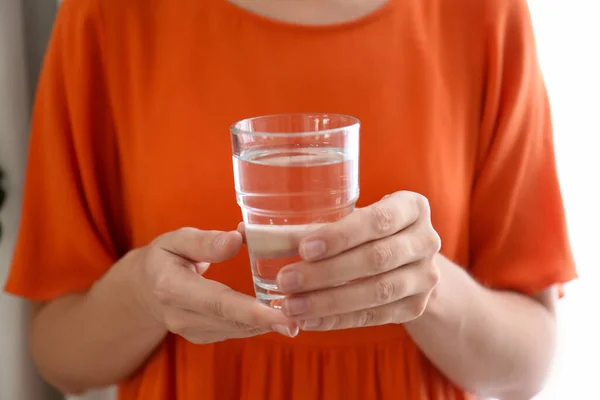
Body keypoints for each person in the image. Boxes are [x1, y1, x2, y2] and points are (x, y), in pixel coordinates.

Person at [4, 0, 577, 399]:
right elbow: (60, 357)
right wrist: (141, 297)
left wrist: (423, 282)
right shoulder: (109, 15)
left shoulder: (480, 13)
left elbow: (529, 363)